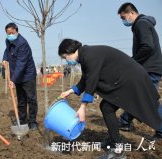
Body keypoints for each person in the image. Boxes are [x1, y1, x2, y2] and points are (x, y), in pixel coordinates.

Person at [59, 39, 162, 159]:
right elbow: (86, 78)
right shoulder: (86, 54)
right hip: (125, 80)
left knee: (150, 107)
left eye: (65, 57)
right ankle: (115, 140)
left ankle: (117, 150)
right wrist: (70, 91)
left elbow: (92, 80)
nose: (67, 60)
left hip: (132, 81)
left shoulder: (89, 55)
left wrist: (83, 107)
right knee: (107, 107)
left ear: (69, 51)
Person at [117, 2, 162, 139]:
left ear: (131, 13)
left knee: (149, 101)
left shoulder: (141, 24)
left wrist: (133, 61)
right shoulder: (142, 24)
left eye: (123, 18)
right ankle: (125, 121)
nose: (124, 21)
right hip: (149, 68)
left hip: (150, 69)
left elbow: (147, 47)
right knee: (135, 95)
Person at [2, 23, 38, 130]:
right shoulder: (8, 40)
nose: (10, 35)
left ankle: (32, 122)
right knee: (21, 100)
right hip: (17, 75)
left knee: (31, 99)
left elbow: (21, 64)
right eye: (8, 34)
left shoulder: (23, 44)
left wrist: (13, 79)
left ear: (17, 31)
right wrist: (5, 58)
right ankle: (22, 121)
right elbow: (7, 50)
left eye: (12, 33)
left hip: (27, 75)